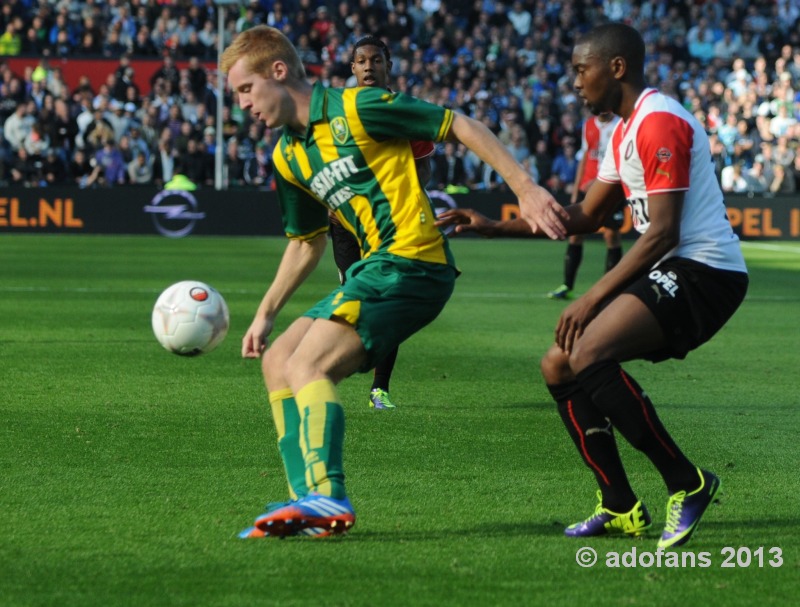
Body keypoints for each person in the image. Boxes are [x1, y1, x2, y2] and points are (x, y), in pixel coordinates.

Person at [221, 25, 566, 540]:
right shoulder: (287, 156)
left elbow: (460, 126)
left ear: (278, 71)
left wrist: (527, 189)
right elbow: (304, 241)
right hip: (375, 268)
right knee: (278, 361)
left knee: (309, 363)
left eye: (246, 89)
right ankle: (307, 504)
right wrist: (266, 312)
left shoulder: (358, 108)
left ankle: (327, 496)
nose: (243, 104)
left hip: (413, 260)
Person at [438, 23, 748, 549]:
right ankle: (621, 505)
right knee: (557, 363)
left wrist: (590, 295)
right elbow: (582, 216)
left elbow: (664, 232)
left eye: (583, 70)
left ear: (617, 68)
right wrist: (493, 225)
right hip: (672, 268)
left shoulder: (659, 121)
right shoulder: (622, 131)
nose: (575, 82)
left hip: (707, 272)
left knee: (588, 351)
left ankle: (687, 482)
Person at [328, 35, 436, 411]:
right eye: (362, 60)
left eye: (376, 60)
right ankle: (345, 361)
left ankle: (379, 389)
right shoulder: (337, 111)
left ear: (388, 66)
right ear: (352, 68)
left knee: (387, 299)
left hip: (389, 223)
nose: (369, 66)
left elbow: (422, 162)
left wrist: (411, 199)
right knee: (355, 299)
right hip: (346, 223)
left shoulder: (403, 111)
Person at [547, 111, 624, 300]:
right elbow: (584, 157)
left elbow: (623, 158)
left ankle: (609, 290)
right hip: (586, 188)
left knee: (611, 236)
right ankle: (567, 285)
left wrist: (601, 181)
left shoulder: (620, 125)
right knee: (575, 235)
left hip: (611, 188)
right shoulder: (588, 125)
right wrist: (575, 191)